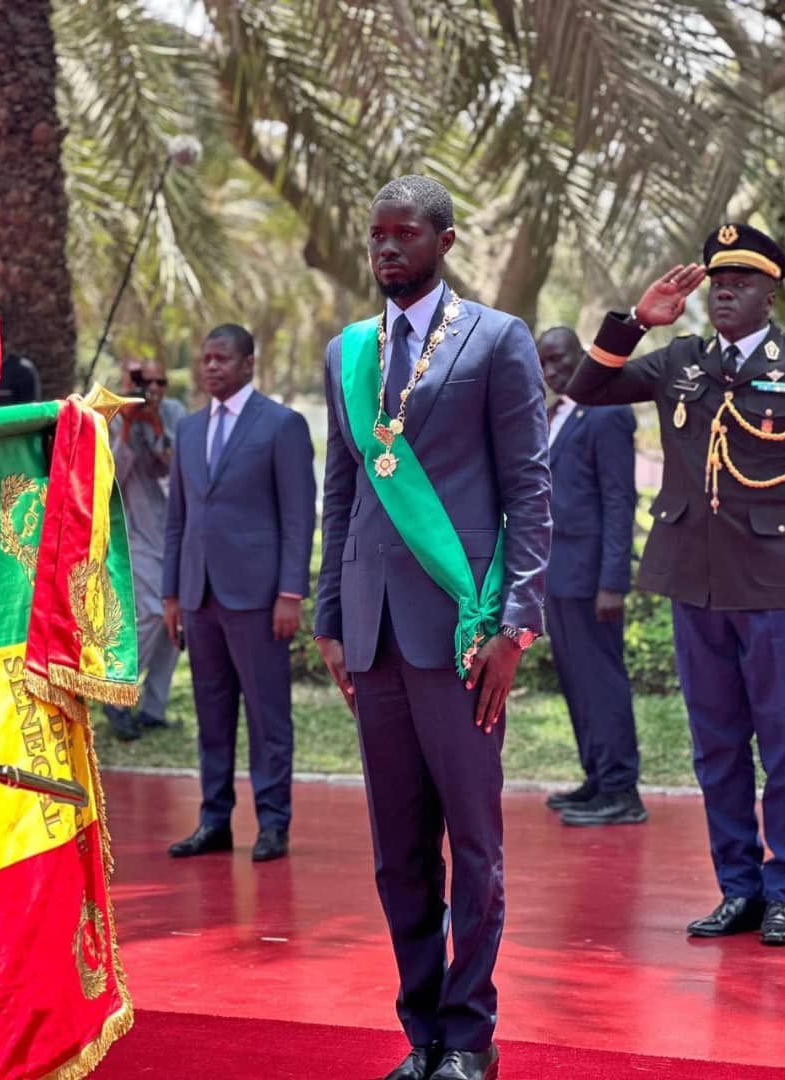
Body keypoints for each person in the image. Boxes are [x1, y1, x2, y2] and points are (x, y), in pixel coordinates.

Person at [314, 176, 551, 1080]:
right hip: (372, 633)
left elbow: (530, 489)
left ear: (445, 240)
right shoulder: (347, 351)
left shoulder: (497, 341)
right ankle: (421, 1034)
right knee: (398, 852)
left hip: (462, 632)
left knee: (475, 848)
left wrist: (515, 625)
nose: (385, 250)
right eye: (374, 236)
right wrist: (332, 617)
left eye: (403, 234)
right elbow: (344, 491)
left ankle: (471, 1036)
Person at [568, 223, 785, 946]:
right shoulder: (680, 362)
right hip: (691, 583)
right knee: (717, 745)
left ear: (771, 292)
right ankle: (738, 888)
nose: (725, 291)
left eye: (741, 282)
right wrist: (638, 321)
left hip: (777, 585)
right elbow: (588, 387)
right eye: (717, 281)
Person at [162, 324, 315, 863]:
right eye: (204, 358)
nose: (210, 367)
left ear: (249, 363)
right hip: (199, 596)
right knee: (212, 714)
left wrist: (291, 594)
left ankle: (273, 823)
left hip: (259, 600)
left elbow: (299, 517)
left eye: (222, 358)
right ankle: (214, 821)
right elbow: (178, 517)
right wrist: (171, 595)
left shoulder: (281, 426)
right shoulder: (188, 430)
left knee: (269, 716)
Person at [537, 327, 645, 826]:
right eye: (544, 362)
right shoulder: (557, 414)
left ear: (583, 356)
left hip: (591, 578)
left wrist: (613, 582)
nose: (552, 370)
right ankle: (598, 778)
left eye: (559, 359)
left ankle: (622, 790)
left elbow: (621, 500)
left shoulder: (606, 411)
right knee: (578, 683)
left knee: (602, 682)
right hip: (558, 574)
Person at [104, 359, 186, 741]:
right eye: (141, 381)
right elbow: (111, 480)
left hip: (178, 533)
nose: (151, 389)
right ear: (125, 381)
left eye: (159, 381)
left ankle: (153, 707)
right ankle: (116, 695)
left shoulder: (174, 414)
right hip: (136, 533)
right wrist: (127, 430)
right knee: (152, 612)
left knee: (176, 622)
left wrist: (155, 428)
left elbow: (175, 469)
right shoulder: (113, 419)